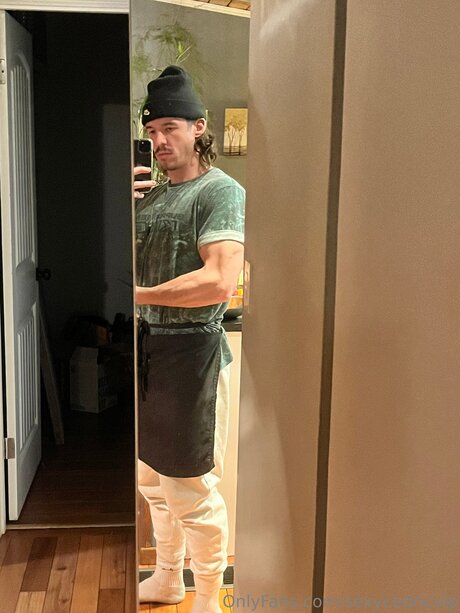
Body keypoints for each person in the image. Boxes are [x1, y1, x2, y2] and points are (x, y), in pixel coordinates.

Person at [135, 65, 245, 613]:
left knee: (191, 489)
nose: (160, 141)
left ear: (199, 127)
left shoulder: (220, 190)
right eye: (152, 131)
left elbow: (219, 280)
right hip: (148, 352)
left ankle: (207, 597)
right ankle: (167, 578)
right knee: (152, 482)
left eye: (170, 128)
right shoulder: (150, 197)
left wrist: (138, 294)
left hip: (192, 353)